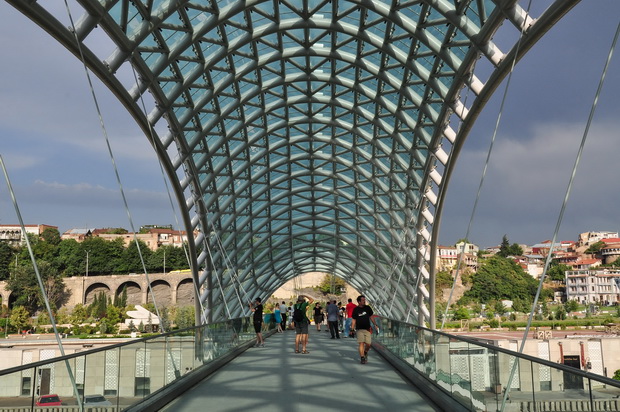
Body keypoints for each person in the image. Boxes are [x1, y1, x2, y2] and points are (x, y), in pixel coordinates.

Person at [351, 295, 378, 364]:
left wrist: (375, 324)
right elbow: (354, 319)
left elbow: (371, 316)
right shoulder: (356, 309)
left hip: (367, 329)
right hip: (359, 329)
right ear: (359, 301)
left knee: (368, 344)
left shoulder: (367, 308)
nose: (364, 301)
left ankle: (365, 352)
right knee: (361, 343)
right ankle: (362, 357)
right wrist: (352, 329)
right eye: (363, 300)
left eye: (364, 300)